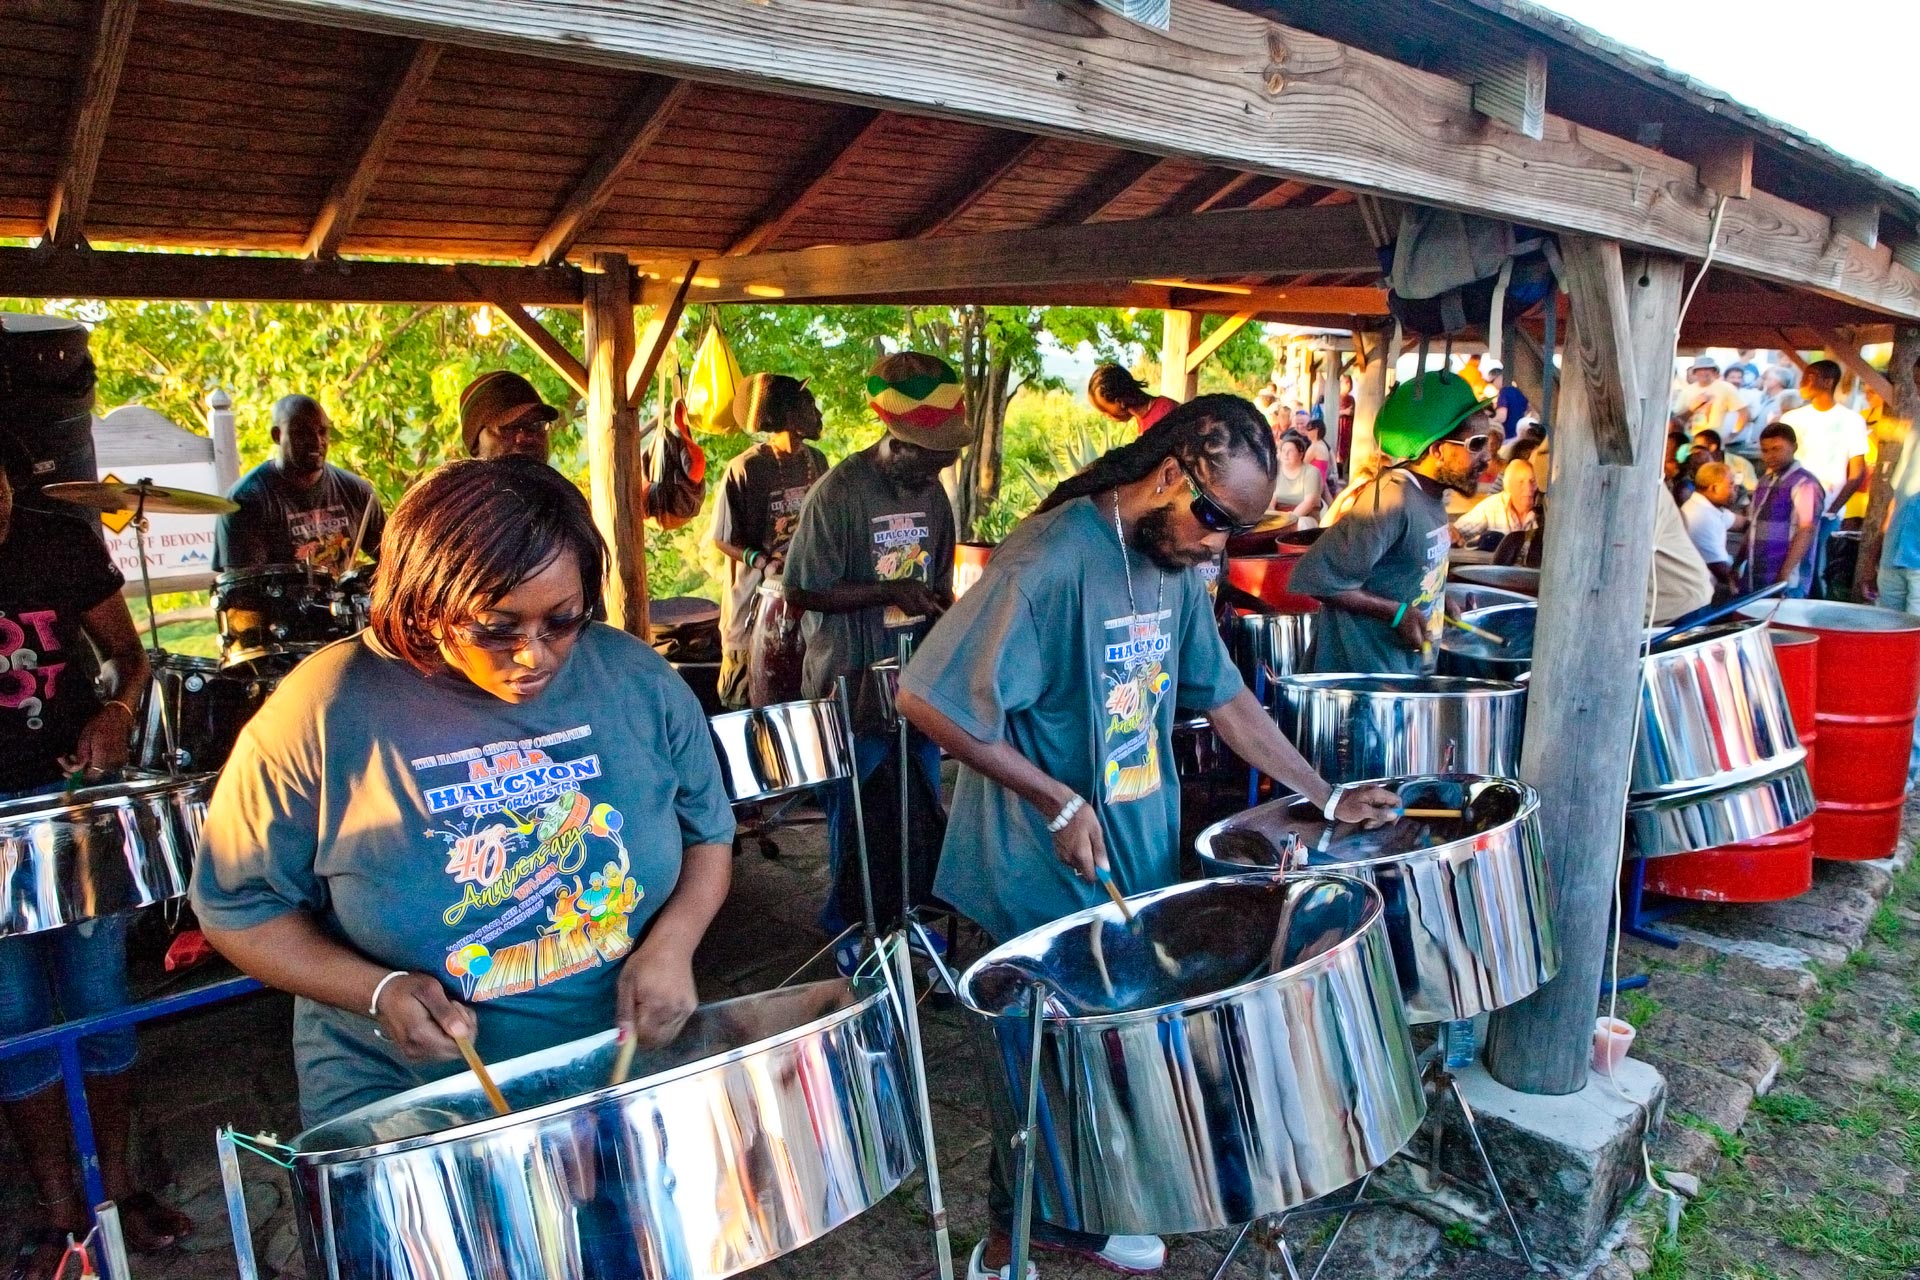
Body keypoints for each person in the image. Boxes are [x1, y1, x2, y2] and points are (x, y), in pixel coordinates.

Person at [895, 395, 1401, 1280]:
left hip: (1127, 853)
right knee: (1039, 1075)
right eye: (1215, 521)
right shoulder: (1050, 559)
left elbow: (1226, 699)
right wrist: (1054, 799)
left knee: (1106, 1060)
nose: (1218, 546)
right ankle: (1008, 1243)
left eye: (1236, 532)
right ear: (1170, 473)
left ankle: (1082, 1217)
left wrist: (1324, 794)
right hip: (1034, 867)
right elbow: (926, 698)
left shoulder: (1170, 563)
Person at [192, 458, 736, 1126]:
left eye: (561, 621)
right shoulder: (325, 709)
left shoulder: (637, 680)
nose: (534, 654)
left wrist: (675, 943)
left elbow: (708, 833)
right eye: (496, 628)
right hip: (411, 1100)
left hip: (612, 1068)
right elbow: (236, 908)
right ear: (426, 602)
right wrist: (378, 990)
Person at [0, 457, 193, 1274]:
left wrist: (115, 712)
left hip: (70, 799)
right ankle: (58, 1210)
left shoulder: (60, 544)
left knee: (98, 998)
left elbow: (130, 657)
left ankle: (115, 1189)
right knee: (13, 1018)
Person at [784, 352, 964, 934]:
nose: (936, 473)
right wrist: (889, 591)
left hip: (912, 679)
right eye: (930, 460)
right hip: (850, 677)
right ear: (899, 439)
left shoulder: (934, 497)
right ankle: (852, 929)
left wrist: (942, 610)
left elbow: (937, 582)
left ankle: (911, 917)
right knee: (857, 814)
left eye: (946, 462)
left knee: (919, 806)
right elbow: (803, 590)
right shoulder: (839, 493)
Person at [1291, 371, 1494, 675]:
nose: (1488, 456)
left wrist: (1440, 601)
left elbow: (1404, 577)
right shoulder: (1391, 498)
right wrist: (1396, 614)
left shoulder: (1433, 498)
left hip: (1404, 678)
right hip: (1362, 686)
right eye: (1476, 444)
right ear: (1437, 450)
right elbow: (1317, 578)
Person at [709, 372, 829, 709]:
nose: (817, 413)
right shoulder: (746, 468)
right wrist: (764, 562)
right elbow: (722, 537)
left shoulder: (816, 463)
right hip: (751, 612)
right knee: (748, 707)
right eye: (810, 405)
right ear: (789, 416)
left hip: (802, 611)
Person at [214, 394, 385, 574]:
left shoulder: (357, 491)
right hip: (279, 602)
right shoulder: (246, 501)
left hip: (345, 601)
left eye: (322, 431)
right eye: (302, 433)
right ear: (277, 435)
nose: (316, 441)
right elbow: (244, 592)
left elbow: (393, 560)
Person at [1859, 429, 1920, 784]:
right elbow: (1897, 499)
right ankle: (1884, 752)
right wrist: (1875, 552)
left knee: (1915, 661)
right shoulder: (1915, 434)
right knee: (1889, 656)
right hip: (1895, 554)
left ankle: (1907, 765)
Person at [1781, 359, 1869, 542]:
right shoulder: (1791, 418)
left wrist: (1832, 510)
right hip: (1790, 504)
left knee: (1817, 566)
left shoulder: (1851, 420)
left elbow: (1857, 473)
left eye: (1810, 377)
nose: (1802, 383)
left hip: (1827, 509)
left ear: (1828, 382)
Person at [1740, 423, 1825, 598]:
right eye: (1765, 450)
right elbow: (1753, 527)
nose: (1770, 456)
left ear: (1794, 447)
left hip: (1788, 581)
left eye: (1776, 449)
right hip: (1755, 575)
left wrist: (1784, 575)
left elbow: (1806, 529)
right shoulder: (1764, 481)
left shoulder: (1805, 484)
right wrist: (1738, 563)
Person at [460, 369, 560, 464]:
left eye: (536, 425)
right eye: (508, 427)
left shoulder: (559, 482)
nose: (524, 437)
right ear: (475, 445)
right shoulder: (449, 481)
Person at [1679, 461, 1744, 598]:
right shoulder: (1701, 517)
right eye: (1731, 485)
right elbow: (1721, 570)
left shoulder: (1711, 509)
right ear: (1715, 488)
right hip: (1693, 597)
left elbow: (1743, 524)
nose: (1735, 490)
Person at [1453, 457, 1538, 548]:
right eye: (1520, 482)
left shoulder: (1545, 509)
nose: (1528, 488)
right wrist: (1454, 534)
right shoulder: (1492, 506)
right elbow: (1458, 531)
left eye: (1532, 481)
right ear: (1508, 486)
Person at [1677, 354, 1747, 442]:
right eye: (1700, 369)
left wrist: (1734, 434)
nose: (1703, 372)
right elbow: (1677, 416)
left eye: (1707, 369)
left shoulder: (1725, 388)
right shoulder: (1687, 391)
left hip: (1714, 440)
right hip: (1690, 440)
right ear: (1695, 372)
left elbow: (1743, 411)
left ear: (1714, 371)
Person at [1087, 364, 1176, 435]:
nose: (1107, 416)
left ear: (1120, 402)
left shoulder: (1163, 413)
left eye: (1105, 411)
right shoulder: (1143, 418)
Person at [1268, 430, 1324, 525]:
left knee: (1302, 524)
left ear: (1301, 454)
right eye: (1283, 451)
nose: (1286, 454)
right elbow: (1272, 496)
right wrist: (1271, 511)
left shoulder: (1311, 472)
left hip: (1304, 516)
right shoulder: (1276, 468)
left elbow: (1309, 503)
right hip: (1279, 514)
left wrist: (1288, 520)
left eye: (1290, 451)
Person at [1690, 428, 1757, 498]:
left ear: (1713, 447)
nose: (1694, 452)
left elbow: (1752, 491)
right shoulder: (1696, 466)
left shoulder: (1740, 464)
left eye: (1699, 448)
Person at [1482, 359, 1528, 438]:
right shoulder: (1519, 391)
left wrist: (1487, 421)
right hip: (1519, 435)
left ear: (1500, 377)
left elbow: (1502, 417)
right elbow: (1527, 410)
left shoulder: (1504, 393)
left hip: (1508, 435)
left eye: (1492, 381)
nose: (1492, 385)